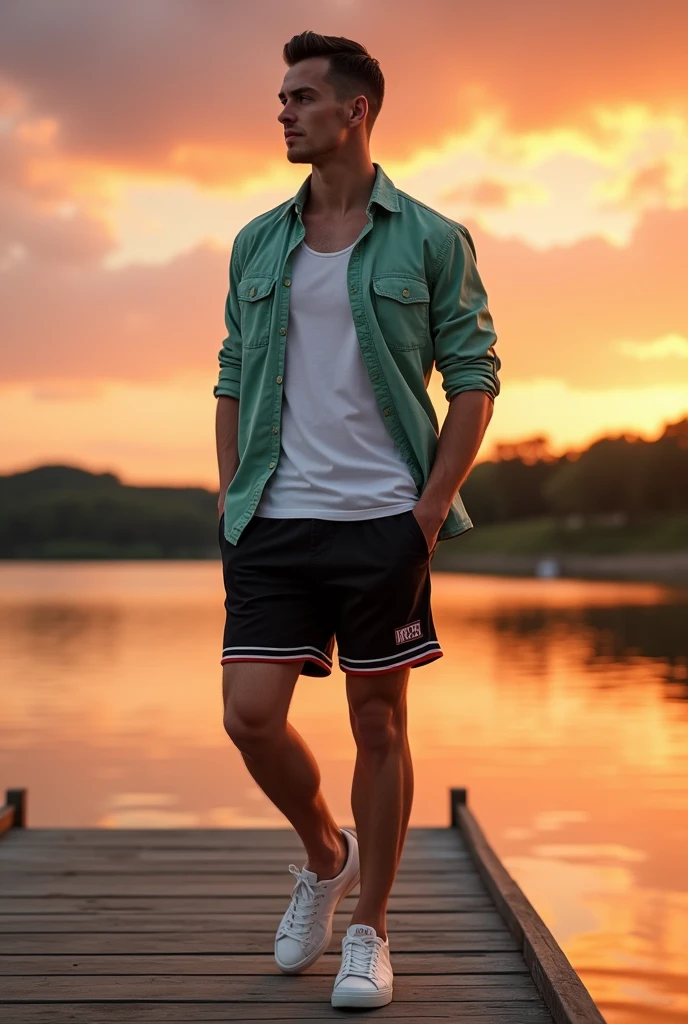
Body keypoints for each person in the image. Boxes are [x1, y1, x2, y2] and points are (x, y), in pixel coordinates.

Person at [214, 30, 501, 1011]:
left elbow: (472, 377)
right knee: (249, 716)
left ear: (354, 111)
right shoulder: (258, 241)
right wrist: (229, 498)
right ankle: (323, 853)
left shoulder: (428, 237)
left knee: (377, 721)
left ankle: (371, 931)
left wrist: (428, 507)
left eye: (300, 97)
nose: (284, 111)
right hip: (275, 519)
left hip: (384, 518)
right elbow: (232, 376)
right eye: (281, 97)